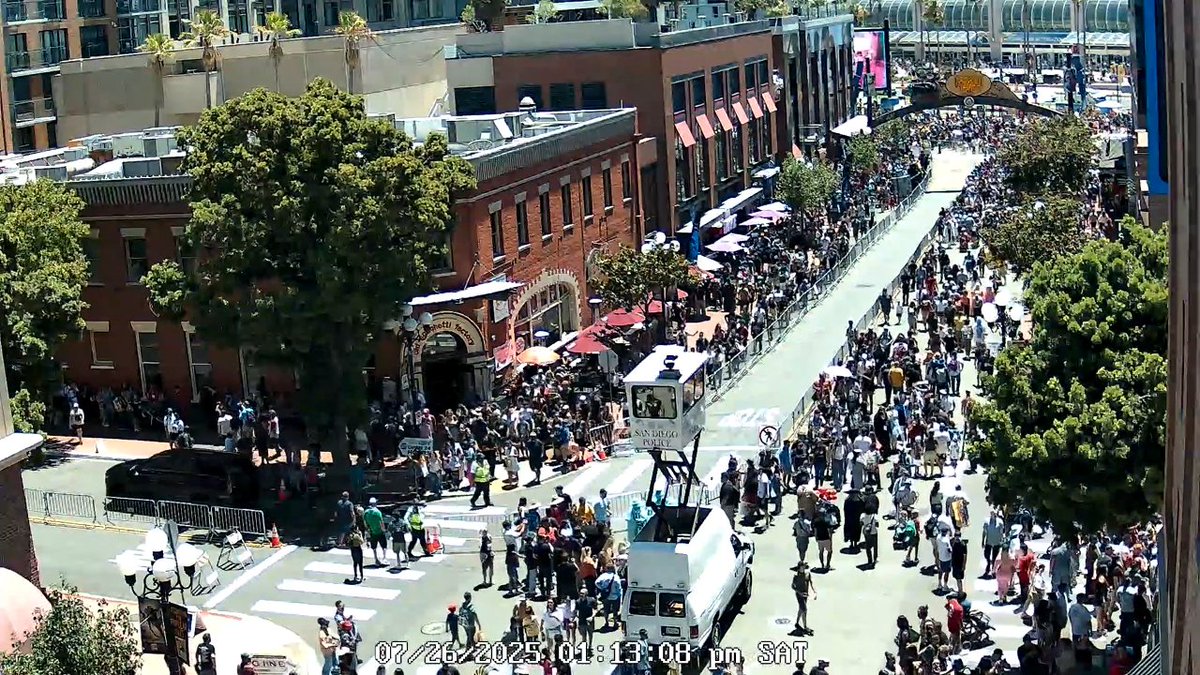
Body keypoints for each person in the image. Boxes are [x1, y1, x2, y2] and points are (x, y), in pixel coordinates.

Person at [792, 562, 815, 636]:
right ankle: (805, 627)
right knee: (804, 610)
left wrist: (813, 592)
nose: (803, 568)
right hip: (799, 595)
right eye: (802, 567)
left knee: (801, 609)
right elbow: (793, 586)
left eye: (804, 567)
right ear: (799, 568)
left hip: (805, 594)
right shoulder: (796, 576)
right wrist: (800, 593)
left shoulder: (807, 575)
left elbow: (810, 583)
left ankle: (797, 623)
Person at [363, 498, 387, 566]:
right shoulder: (377, 512)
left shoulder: (366, 512)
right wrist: (384, 530)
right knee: (384, 546)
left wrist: (368, 530)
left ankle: (376, 559)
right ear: (375, 504)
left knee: (374, 547)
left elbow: (365, 523)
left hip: (372, 532)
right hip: (379, 532)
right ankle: (384, 558)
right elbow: (381, 522)